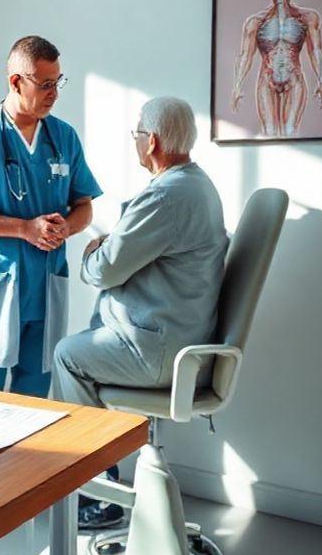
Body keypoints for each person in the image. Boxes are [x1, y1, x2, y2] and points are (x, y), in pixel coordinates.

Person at [51, 96, 228, 527]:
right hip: (186, 340)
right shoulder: (199, 184)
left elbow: (104, 270)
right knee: (81, 344)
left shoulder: (166, 197)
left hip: (158, 350)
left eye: (136, 135)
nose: (135, 142)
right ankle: (104, 478)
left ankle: (99, 491)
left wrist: (95, 250)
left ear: (151, 142)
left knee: (66, 355)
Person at [0, 36, 102, 398]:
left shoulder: (63, 137)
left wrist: (66, 228)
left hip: (46, 284)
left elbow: (84, 206)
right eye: (45, 85)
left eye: (58, 82)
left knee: (35, 391)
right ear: (16, 82)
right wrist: (25, 229)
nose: (54, 93)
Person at [230, 0, 322, 137]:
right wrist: (237, 85)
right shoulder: (256, 21)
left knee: (291, 132)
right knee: (269, 133)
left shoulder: (307, 17)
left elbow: (316, 50)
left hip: (294, 77)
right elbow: (245, 55)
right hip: (267, 78)